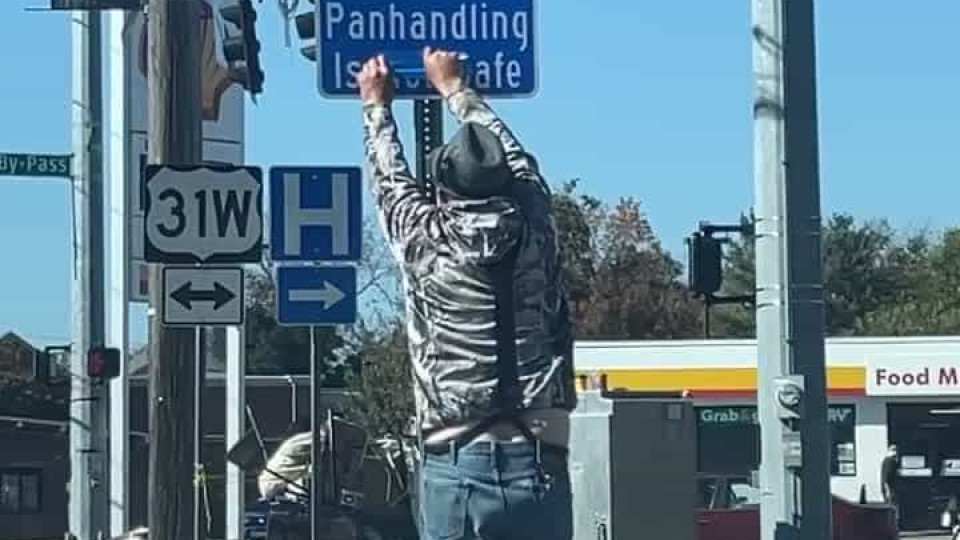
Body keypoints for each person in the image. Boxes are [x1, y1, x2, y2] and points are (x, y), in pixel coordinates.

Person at [358, 48, 577, 540]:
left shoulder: (425, 238)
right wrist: (457, 89)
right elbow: (518, 161)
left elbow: (388, 178)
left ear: (444, 188)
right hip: (539, 452)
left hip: (454, 455)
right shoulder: (536, 230)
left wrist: (376, 106)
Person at [880, 444, 899, 525]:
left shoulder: (886, 460)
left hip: (887, 488)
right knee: (892, 507)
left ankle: (890, 524)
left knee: (890, 506)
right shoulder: (890, 461)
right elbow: (887, 477)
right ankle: (892, 524)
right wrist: (887, 489)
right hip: (890, 489)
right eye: (894, 450)